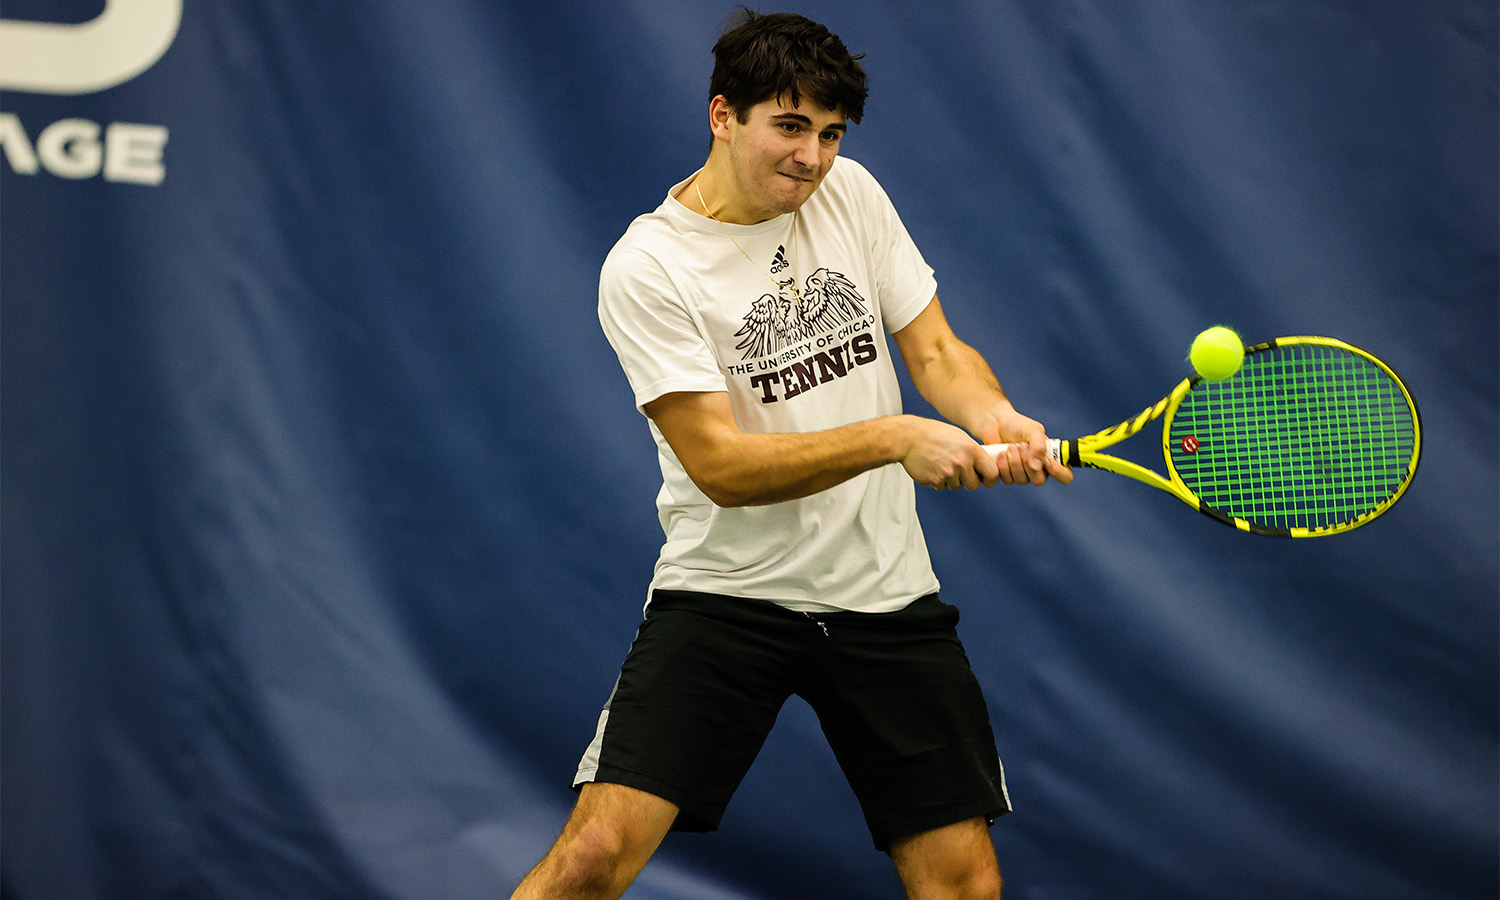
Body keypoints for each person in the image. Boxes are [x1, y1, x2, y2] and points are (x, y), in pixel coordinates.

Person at [510, 10, 1071, 900]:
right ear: (722, 115)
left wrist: (994, 414)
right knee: (588, 864)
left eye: (831, 133)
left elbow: (935, 354)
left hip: (884, 593)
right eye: (790, 125)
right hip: (727, 598)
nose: (812, 157)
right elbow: (723, 469)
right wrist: (895, 438)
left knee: (963, 884)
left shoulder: (853, 197)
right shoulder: (650, 267)